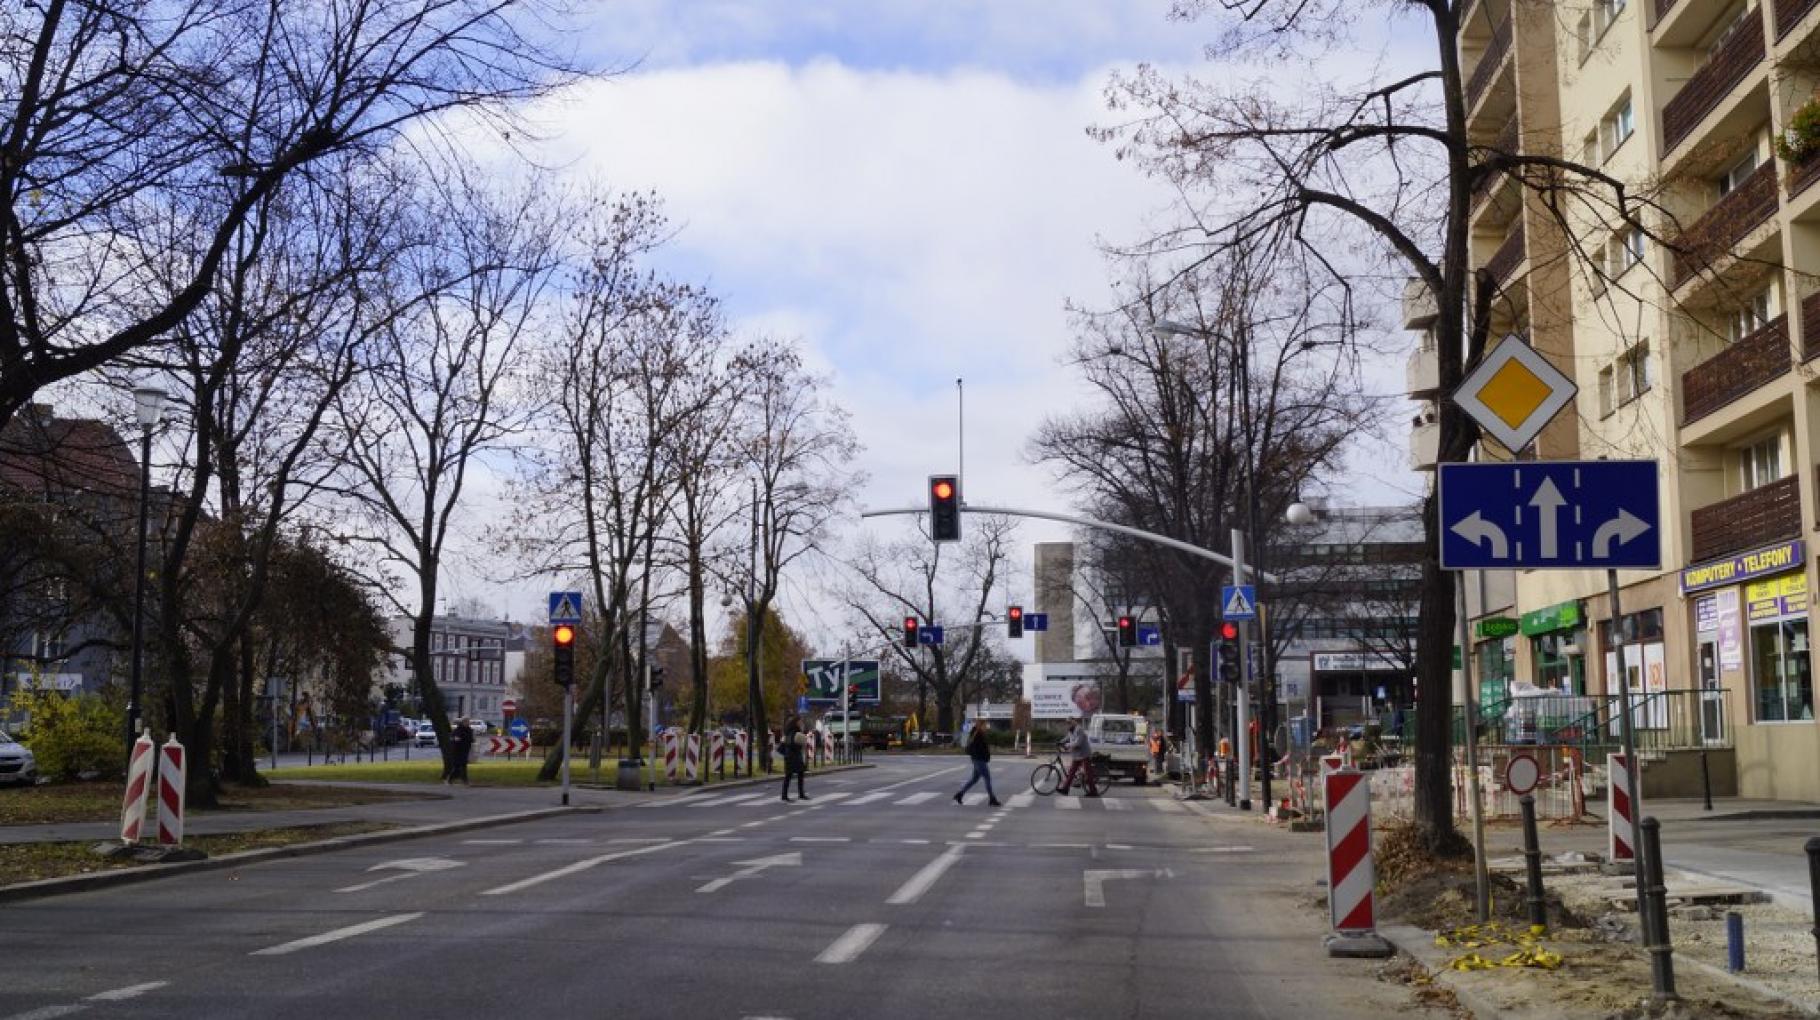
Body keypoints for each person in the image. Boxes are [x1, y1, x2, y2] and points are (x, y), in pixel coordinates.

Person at [954, 721, 1001, 805]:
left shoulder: (978, 733)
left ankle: (960, 794)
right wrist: (983, 756)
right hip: (979, 760)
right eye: (985, 725)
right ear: (980, 725)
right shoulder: (977, 735)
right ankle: (992, 799)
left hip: (977, 760)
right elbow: (977, 748)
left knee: (974, 779)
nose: (987, 727)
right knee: (987, 779)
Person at [1057, 717, 1101, 797]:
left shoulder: (1079, 729)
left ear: (1074, 722)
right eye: (1067, 723)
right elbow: (1068, 738)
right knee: (1071, 772)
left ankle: (1093, 792)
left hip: (1084, 754)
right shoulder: (1071, 730)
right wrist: (1060, 742)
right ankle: (1065, 789)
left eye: (1070, 722)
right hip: (1077, 755)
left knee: (1088, 773)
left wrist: (1067, 745)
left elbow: (1078, 743)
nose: (1068, 724)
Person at [780, 714, 810, 801]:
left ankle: (784, 795)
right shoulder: (797, 732)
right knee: (799, 775)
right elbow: (802, 742)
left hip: (788, 756)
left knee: (788, 776)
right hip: (795, 756)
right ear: (796, 722)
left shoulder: (787, 732)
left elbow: (784, 743)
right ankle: (800, 794)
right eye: (800, 721)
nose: (801, 723)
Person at [448, 718, 475, 786]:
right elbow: (454, 739)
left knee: (463, 766)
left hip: (465, 750)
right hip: (457, 751)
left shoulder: (469, 730)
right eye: (466, 722)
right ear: (463, 722)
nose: (468, 723)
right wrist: (456, 739)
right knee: (457, 766)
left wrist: (472, 740)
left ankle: (464, 780)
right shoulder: (458, 730)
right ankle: (451, 779)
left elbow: (471, 739)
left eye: (468, 722)